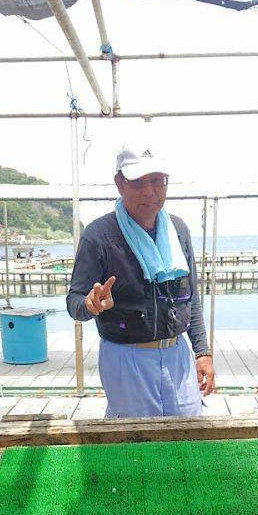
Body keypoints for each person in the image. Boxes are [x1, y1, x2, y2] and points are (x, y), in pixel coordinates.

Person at [66, 145, 215, 418]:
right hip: (125, 357)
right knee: (133, 437)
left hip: (177, 355)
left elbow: (190, 299)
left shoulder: (179, 231)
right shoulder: (98, 236)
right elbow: (74, 301)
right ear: (119, 183)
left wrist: (202, 352)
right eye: (138, 182)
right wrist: (90, 305)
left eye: (157, 180)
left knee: (189, 432)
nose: (149, 191)